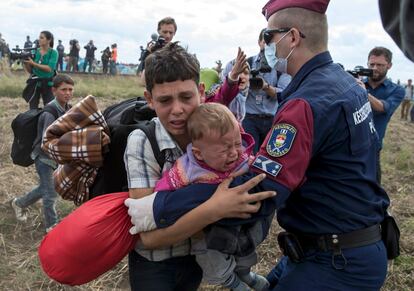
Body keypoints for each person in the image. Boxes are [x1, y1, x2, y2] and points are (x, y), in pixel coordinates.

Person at [125, 0, 393, 290]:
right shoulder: (345, 83)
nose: (265, 45)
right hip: (345, 245)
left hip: (336, 260)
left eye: (268, 36)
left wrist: (163, 205)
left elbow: (260, 189)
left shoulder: (305, 102)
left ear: (292, 37)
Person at [124, 42, 251, 291]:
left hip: (195, 259)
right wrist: (215, 209)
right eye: (165, 100)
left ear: (201, 92)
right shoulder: (142, 142)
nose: (177, 110)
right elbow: (148, 237)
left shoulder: (212, 132)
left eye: (186, 97)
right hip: (155, 266)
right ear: (149, 99)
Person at [151, 103, 268, 291]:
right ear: (199, 153)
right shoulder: (187, 169)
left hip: (239, 223)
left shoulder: (243, 157)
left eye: (237, 143)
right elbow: (163, 191)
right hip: (208, 229)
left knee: (248, 246)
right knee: (208, 256)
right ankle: (232, 282)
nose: (234, 153)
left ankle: (245, 273)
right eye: (223, 150)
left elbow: (259, 168)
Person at [11, 74, 74, 232]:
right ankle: (52, 227)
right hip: (44, 158)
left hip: (56, 158)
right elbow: (47, 141)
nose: (67, 93)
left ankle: (19, 203)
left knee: (46, 188)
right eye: (63, 89)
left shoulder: (68, 109)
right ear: (54, 90)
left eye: (70, 89)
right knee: (51, 194)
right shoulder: (49, 113)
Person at [357, 47, 405, 183]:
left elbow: (383, 107)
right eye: (371, 64)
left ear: (389, 66)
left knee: (372, 187)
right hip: (349, 144)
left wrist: (362, 92)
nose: (375, 68)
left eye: (380, 65)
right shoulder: (356, 83)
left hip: (372, 147)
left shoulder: (396, 90)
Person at [243, 28, 291, 153]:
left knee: (269, 155)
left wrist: (265, 86)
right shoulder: (247, 63)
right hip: (250, 118)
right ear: (259, 42)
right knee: (249, 156)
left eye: (271, 43)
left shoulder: (281, 67)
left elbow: (283, 94)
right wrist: (244, 82)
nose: (267, 46)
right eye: (265, 42)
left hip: (272, 119)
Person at [23, 31, 58, 109]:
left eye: (42, 38)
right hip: (35, 83)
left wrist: (34, 63)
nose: (39, 39)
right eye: (39, 37)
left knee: (50, 107)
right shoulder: (34, 51)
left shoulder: (53, 53)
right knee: (32, 108)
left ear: (48, 40)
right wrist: (26, 64)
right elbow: (31, 71)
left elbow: (49, 69)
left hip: (48, 83)